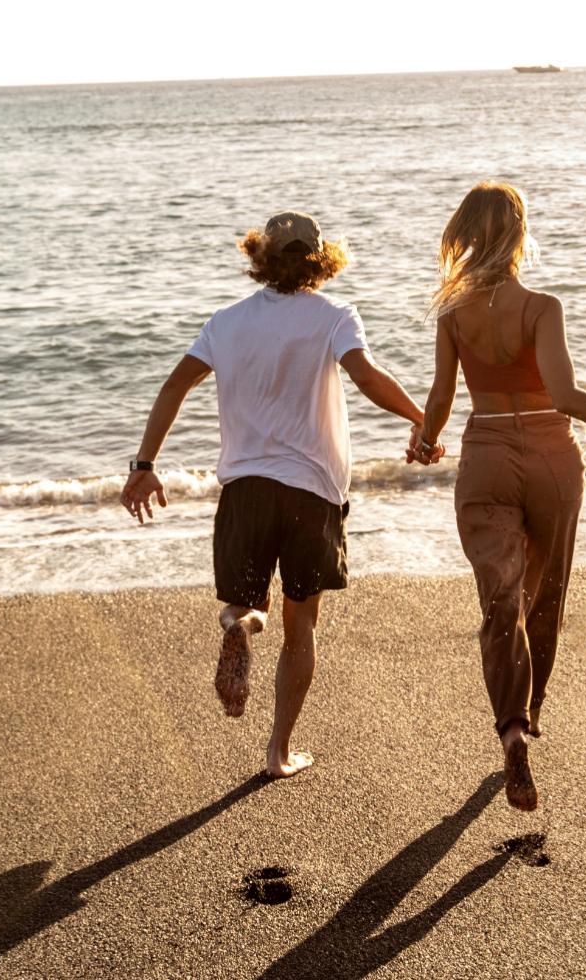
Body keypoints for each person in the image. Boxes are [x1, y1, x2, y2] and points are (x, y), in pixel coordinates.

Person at [409, 183, 586, 811]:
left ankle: (510, 726)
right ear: (518, 232)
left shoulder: (453, 312)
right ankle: (530, 715)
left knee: (499, 598)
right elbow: (565, 396)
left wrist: (425, 441)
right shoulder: (542, 307)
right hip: (550, 457)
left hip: (485, 454)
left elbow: (440, 398)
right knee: (545, 593)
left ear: (466, 234)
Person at [121, 212, 428, 779]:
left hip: (245, 490)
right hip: (312, 492)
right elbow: (366, 376)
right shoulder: (334, 316)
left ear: (260, 259)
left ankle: (240, 625)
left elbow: (174, 386)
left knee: (248, 603)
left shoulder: (226, 322)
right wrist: (422, 420)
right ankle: (278, 752)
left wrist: (144, 464)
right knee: (301, 625)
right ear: (320, 260)